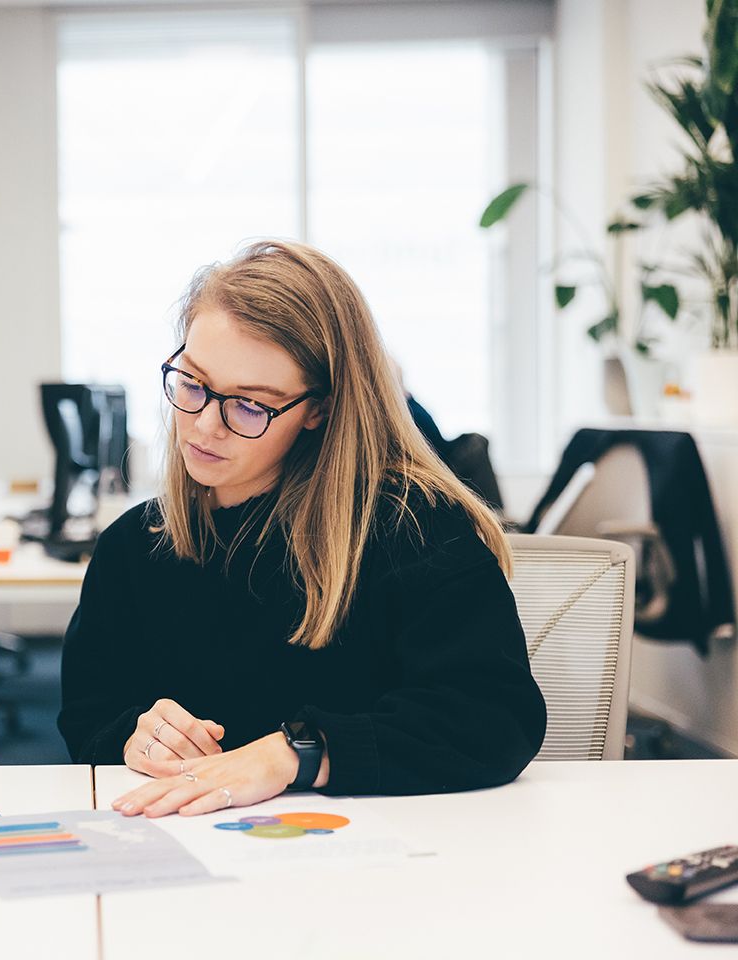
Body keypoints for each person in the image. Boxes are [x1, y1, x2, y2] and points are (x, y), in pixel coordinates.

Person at [57, 240, 545, 817]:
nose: (205, 426)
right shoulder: (135, 547)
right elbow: (88, 716)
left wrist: (296, 755)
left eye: (249, 405)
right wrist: (135, 737)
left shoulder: (414, 529)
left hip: (374, 860)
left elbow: (492, 717)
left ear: (319, 409)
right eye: (191, 383)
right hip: (189, 860)